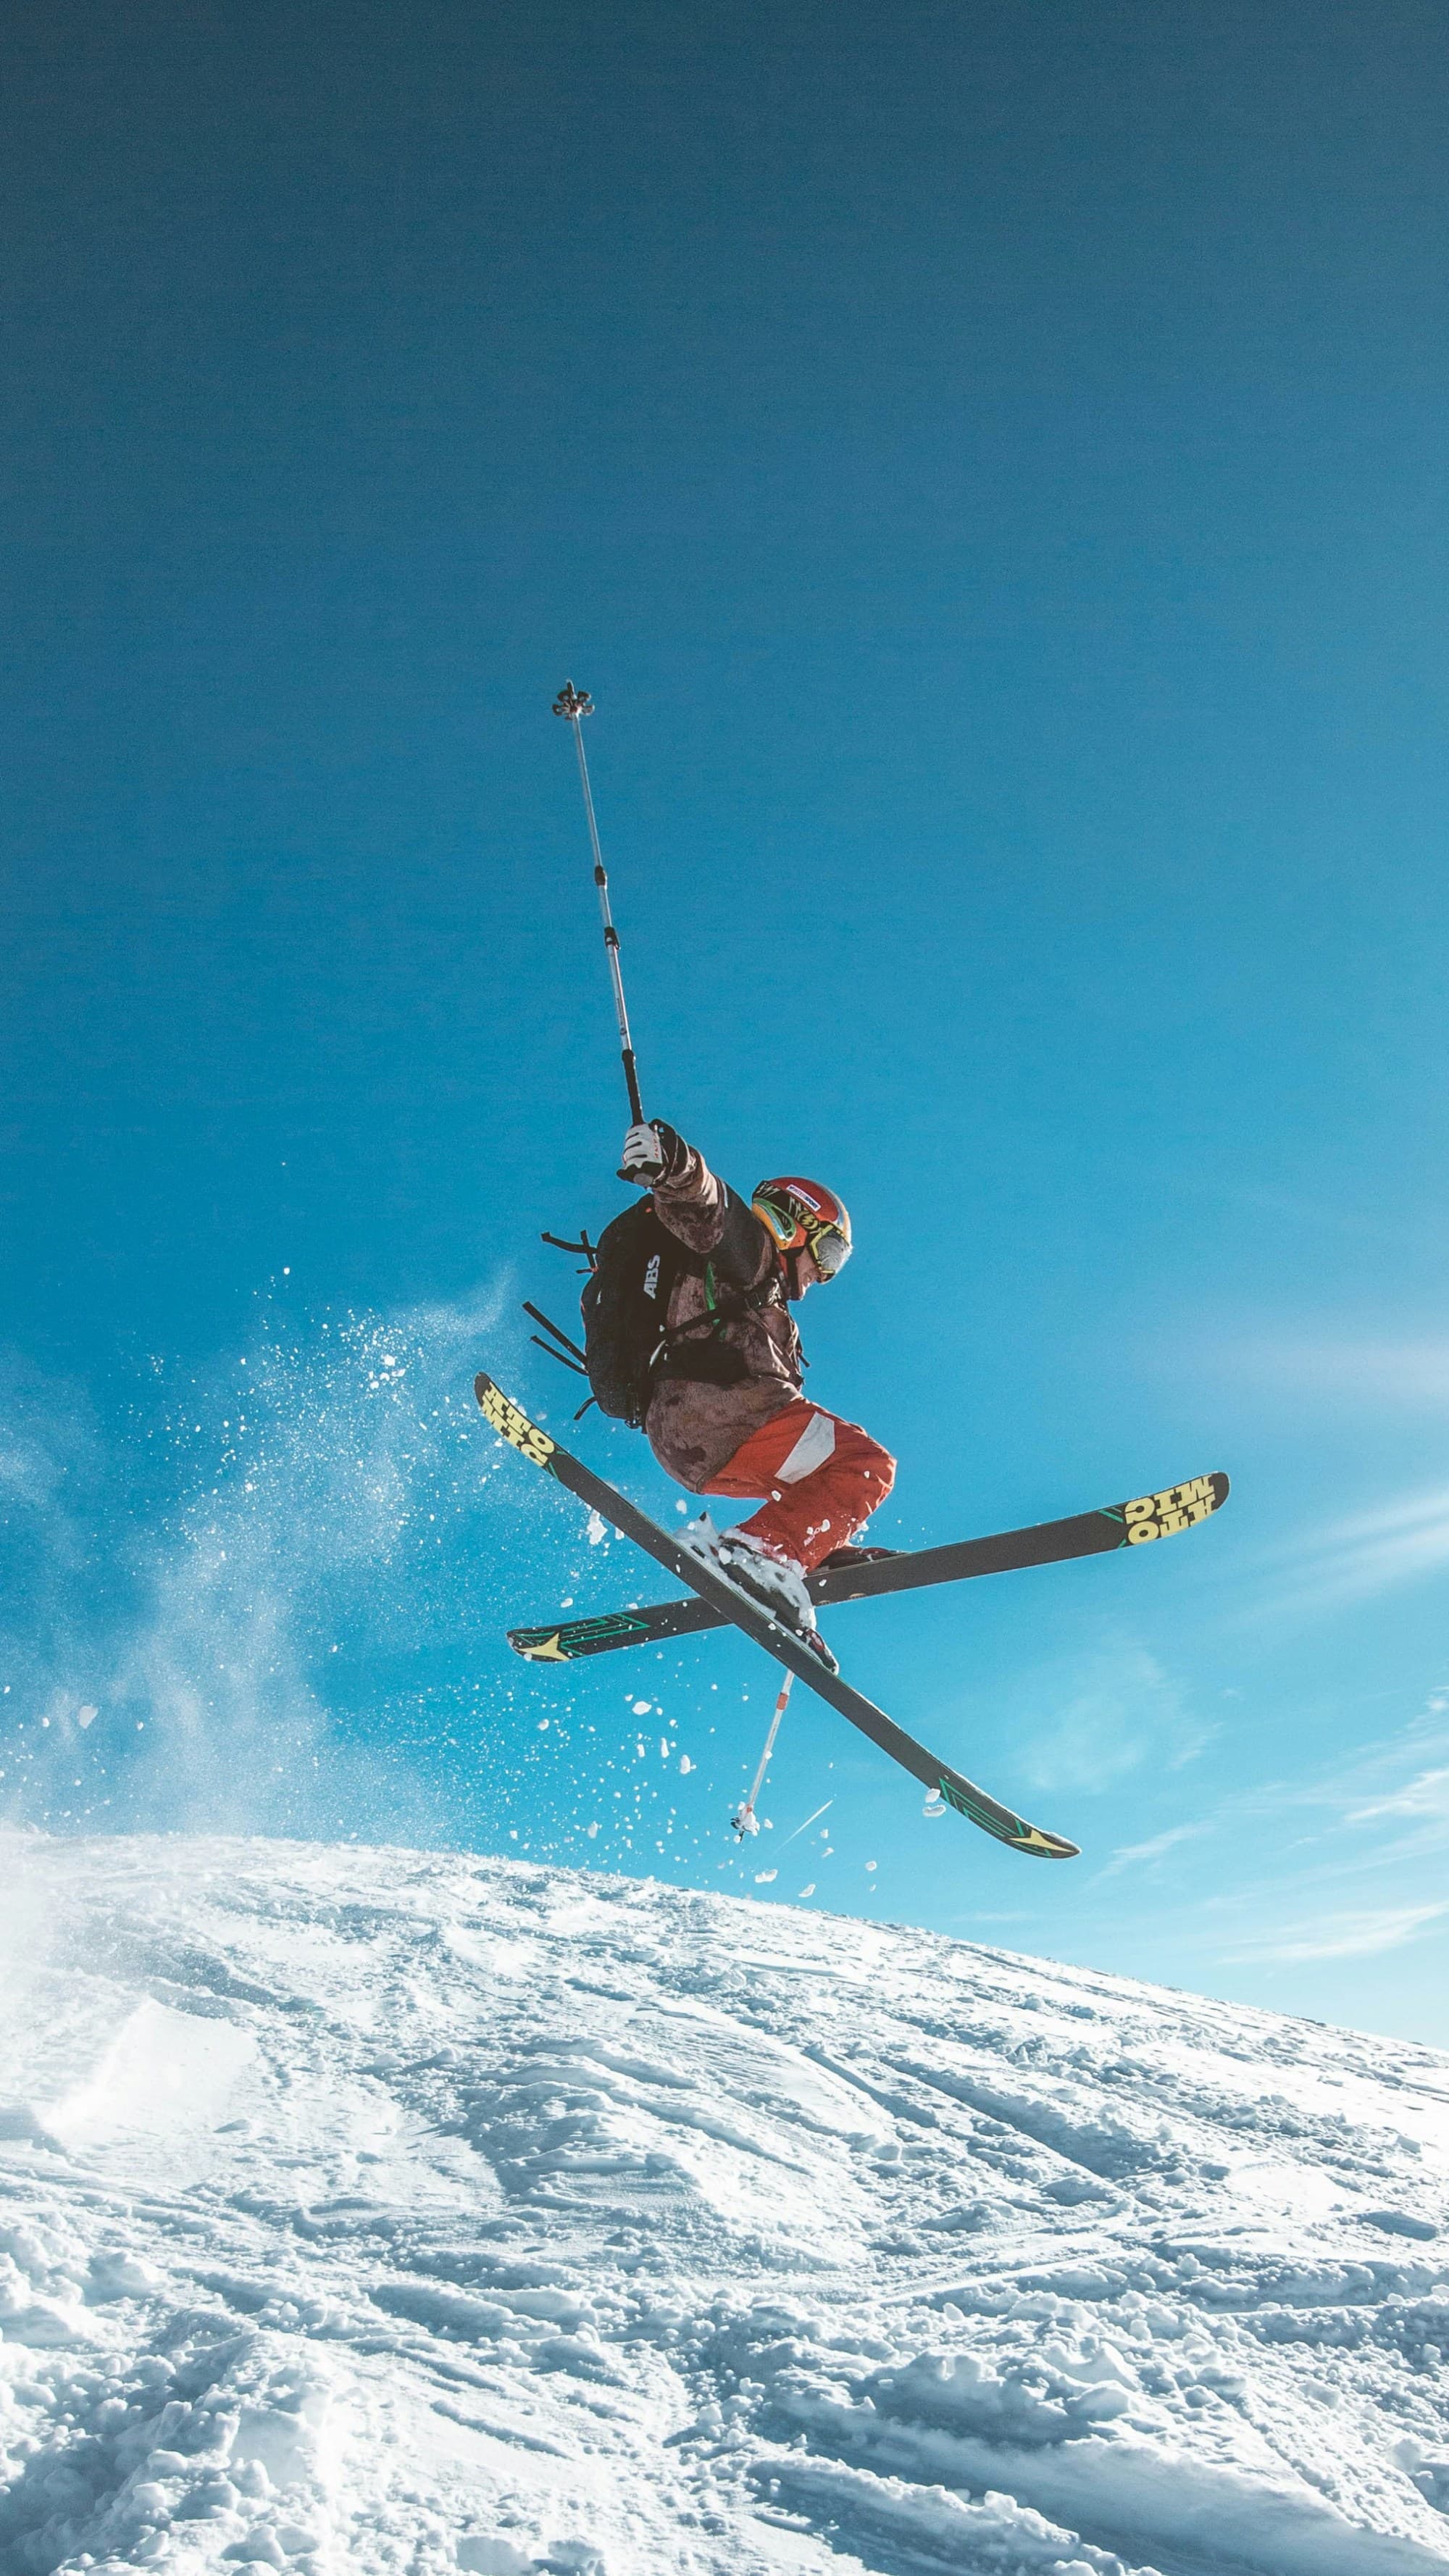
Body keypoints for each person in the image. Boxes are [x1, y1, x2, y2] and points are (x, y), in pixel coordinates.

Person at [619, 1117, 895, 1668]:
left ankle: (804, 1544)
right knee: (867, 1463)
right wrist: (672, 1161)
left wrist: (825, 1537)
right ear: (795, 1223)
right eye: (830, 1253)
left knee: (824, 1473)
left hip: (695, 1440)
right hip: (722, 1412)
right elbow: (705, 1204)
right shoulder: (749, 1251)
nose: (824, 1274)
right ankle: (762, 1551)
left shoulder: (771, 1306)